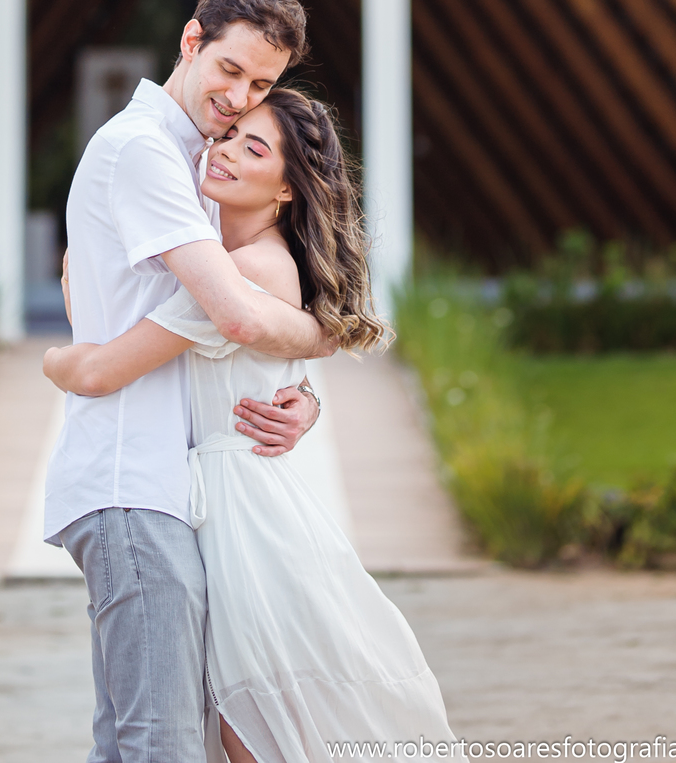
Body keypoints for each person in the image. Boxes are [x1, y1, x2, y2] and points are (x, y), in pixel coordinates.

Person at [45, 85, 456, 763]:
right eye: (232, 134)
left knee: (250, 728)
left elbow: (99, 364)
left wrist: (59, 361)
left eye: (254, 147)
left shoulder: (243, 270)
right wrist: (309, 386)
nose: (227, 149)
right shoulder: (215, 245)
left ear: (287, 189)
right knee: (233, 722)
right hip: (224, 500)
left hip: (246, 520)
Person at [42, 0, 336, 763]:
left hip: (167, 490)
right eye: (230, 69)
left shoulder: (194, 160)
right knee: (160, 746)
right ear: (191, 41)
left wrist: (302, 393)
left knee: (140, 743)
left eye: (262, 84)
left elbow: (99, 285)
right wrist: (329, 333)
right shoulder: (144, 150)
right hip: (132, 484)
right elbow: (234, 310)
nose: (240, 96)